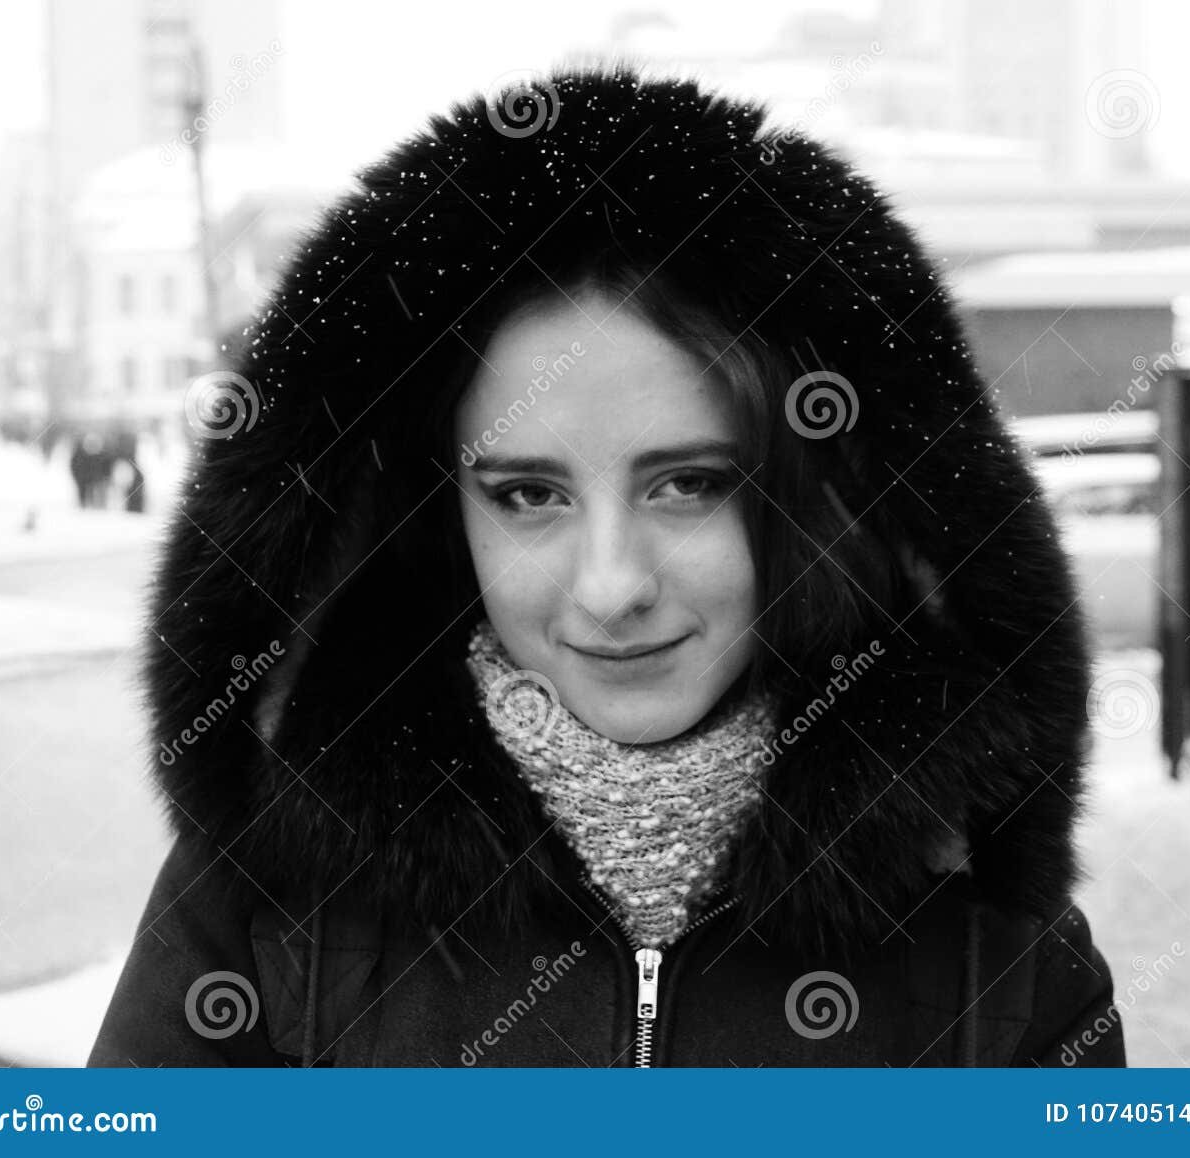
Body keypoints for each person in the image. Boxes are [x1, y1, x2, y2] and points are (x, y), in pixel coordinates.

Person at [89, 64, 1122, 1067]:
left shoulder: (994, 949)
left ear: (818, 490)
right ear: (441, 514)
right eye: (528, 496)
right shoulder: (264, 892)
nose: (610, 586)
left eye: (690, 485)